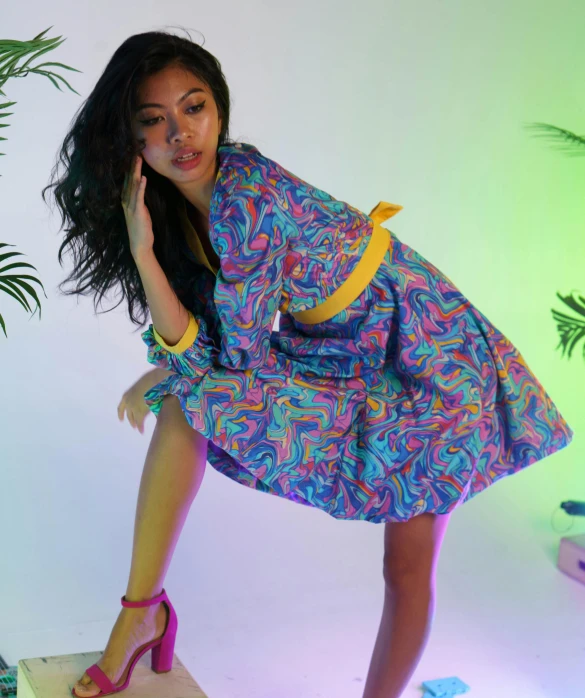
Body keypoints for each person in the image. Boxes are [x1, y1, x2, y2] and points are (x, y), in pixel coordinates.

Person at [42, 29, 574, 698]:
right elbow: (219, 353)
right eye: (154, 120)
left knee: (405, 569)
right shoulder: (189, 208)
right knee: (186, 405)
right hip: (339, 350)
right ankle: (139, 615)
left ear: (218, 109)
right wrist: (146, 254)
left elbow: (230, 355)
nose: (181, 133)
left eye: (194, 107)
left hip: (427, 354)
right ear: (131, 141)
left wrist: (152, 299)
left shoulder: (244, 197)